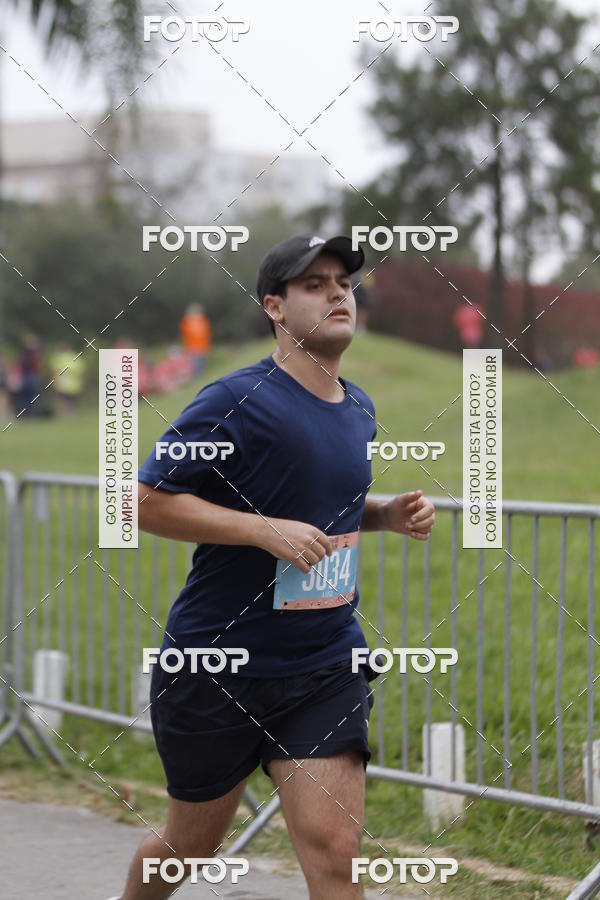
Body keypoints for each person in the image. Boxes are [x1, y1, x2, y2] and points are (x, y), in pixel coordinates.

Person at [112, 234, 435, 900]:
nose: (338, 293)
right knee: (190, 846)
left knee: (337, 853)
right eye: (314, 285)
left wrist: (381, 516)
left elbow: (319, 510)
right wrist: (262, 532)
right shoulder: (236, 401)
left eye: (343, 282)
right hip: (218, 664)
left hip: (322, 663)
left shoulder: (359, 408)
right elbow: (139, 501)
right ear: (276, 308)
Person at [180, 303, 212, 375]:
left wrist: (207, 345)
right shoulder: (186, 322)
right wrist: (188, 348)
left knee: (203, 363)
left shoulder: (203, 320)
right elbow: (185, 336)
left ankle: (202, 376)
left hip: (204, 346)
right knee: (196, 365)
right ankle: (197, 377)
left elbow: (207, 333)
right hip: (193, 348)